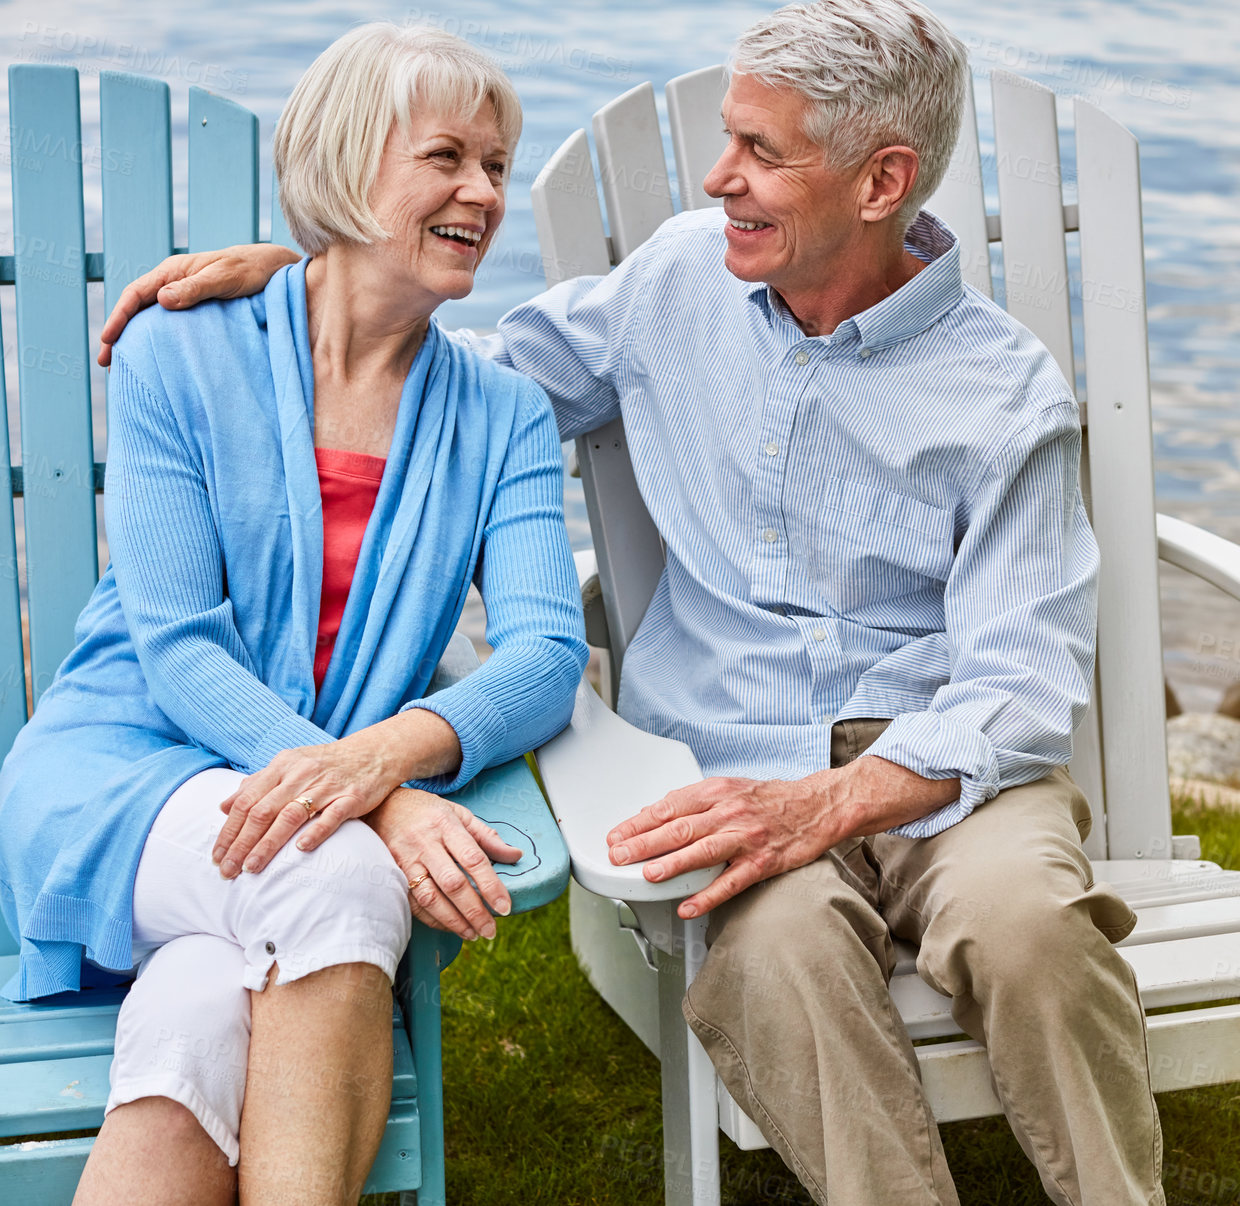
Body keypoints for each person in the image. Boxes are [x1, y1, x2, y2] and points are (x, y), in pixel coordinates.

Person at [98, 3, 1164, 1201]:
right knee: (784, 963)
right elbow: (449, 383)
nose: (722, 179)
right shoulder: (676, 282)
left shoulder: (1005, 395)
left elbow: (1019, 684)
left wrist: (831, 802)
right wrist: (306, 274)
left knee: (1032, 935)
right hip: (724, 767)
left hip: (941, 772)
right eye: (726, 141)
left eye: (763, 153)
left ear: (882, 182)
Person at [0, 22, 587, 1206]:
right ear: (348, 161)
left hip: (294, 819)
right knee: (342, 883)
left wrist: (378, 765)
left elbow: (545, 657)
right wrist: (377, 805)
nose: (483, 191)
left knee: (196, 1020)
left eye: (497, 164)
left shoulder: (506, 415)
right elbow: (177, 647)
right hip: (128, 774)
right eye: (447, 158)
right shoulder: (181, 352)